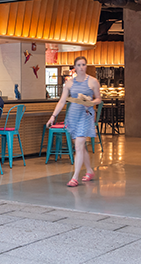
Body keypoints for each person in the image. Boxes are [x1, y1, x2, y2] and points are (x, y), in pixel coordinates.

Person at [46, 56, 101, 187]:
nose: (82, 67)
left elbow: (98, 99)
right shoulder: (69, 83)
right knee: (80, 146)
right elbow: (62, 100)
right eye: (79, 65)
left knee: (78, 146)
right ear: (75, 67)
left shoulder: (93, 81)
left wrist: (91, 102)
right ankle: (89, 171)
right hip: (73, 115)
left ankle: (75, 177)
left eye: (84, 64)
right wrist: (53, 116)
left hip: (86, 114)